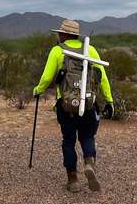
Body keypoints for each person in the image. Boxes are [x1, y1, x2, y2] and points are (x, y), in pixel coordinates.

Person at [32, 19, 113, 193]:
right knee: (87, 137)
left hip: (66, 105)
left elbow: (46, 78)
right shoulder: (89, 49)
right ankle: (89, 163)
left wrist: (37, 90)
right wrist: (109, 100)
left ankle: (73, 179)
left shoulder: (57, 51)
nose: (58, 35)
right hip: (88, 103)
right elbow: (102, 77)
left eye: (60, 33)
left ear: (64, 34)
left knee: (68, 141)